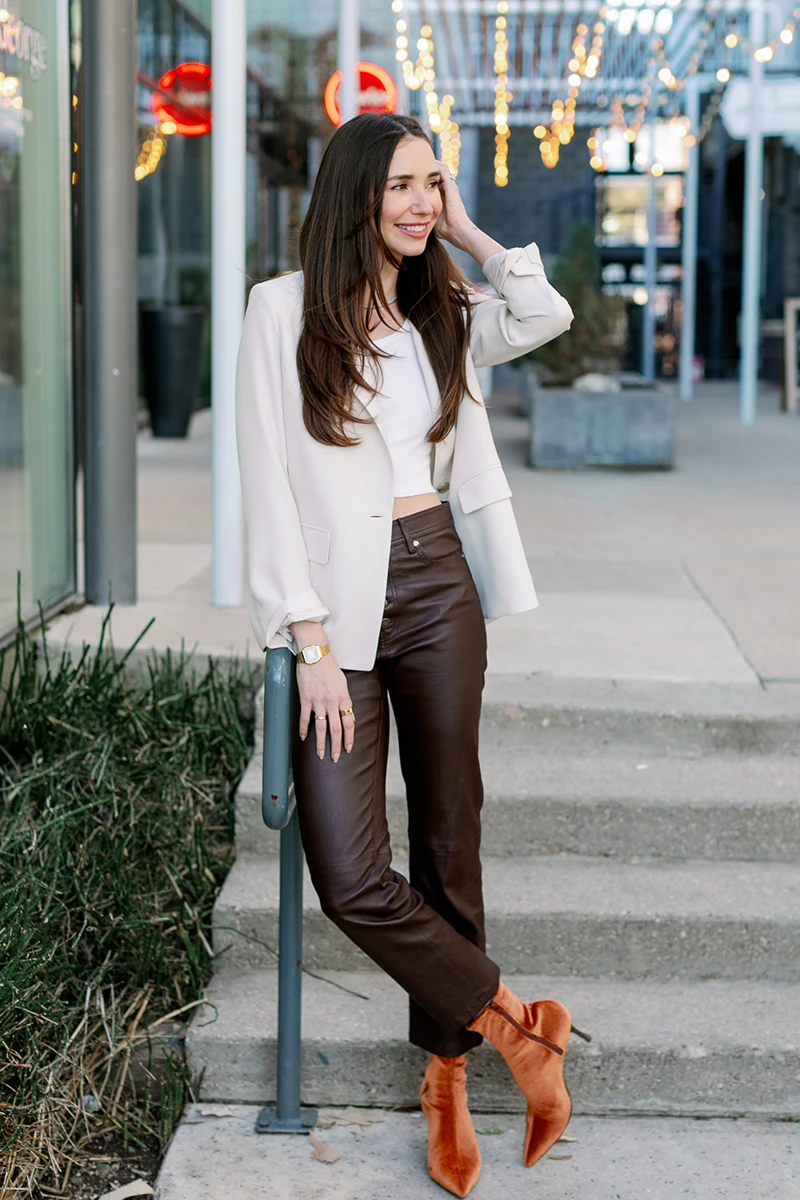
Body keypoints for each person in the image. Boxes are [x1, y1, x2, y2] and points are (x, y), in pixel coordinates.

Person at [235, 112, 587, 1198]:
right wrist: (307, 639)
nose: (420, 202)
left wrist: (473, 233)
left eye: (433, 184)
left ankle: (445, 1079)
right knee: (348, 873)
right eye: (401, 186)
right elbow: (265, 483)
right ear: (352, 193)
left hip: (436, 579)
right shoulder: (280, 310)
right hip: (334, 612)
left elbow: (544, 311)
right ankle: (520, 1030)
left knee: (446, 835)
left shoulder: (441, 301)